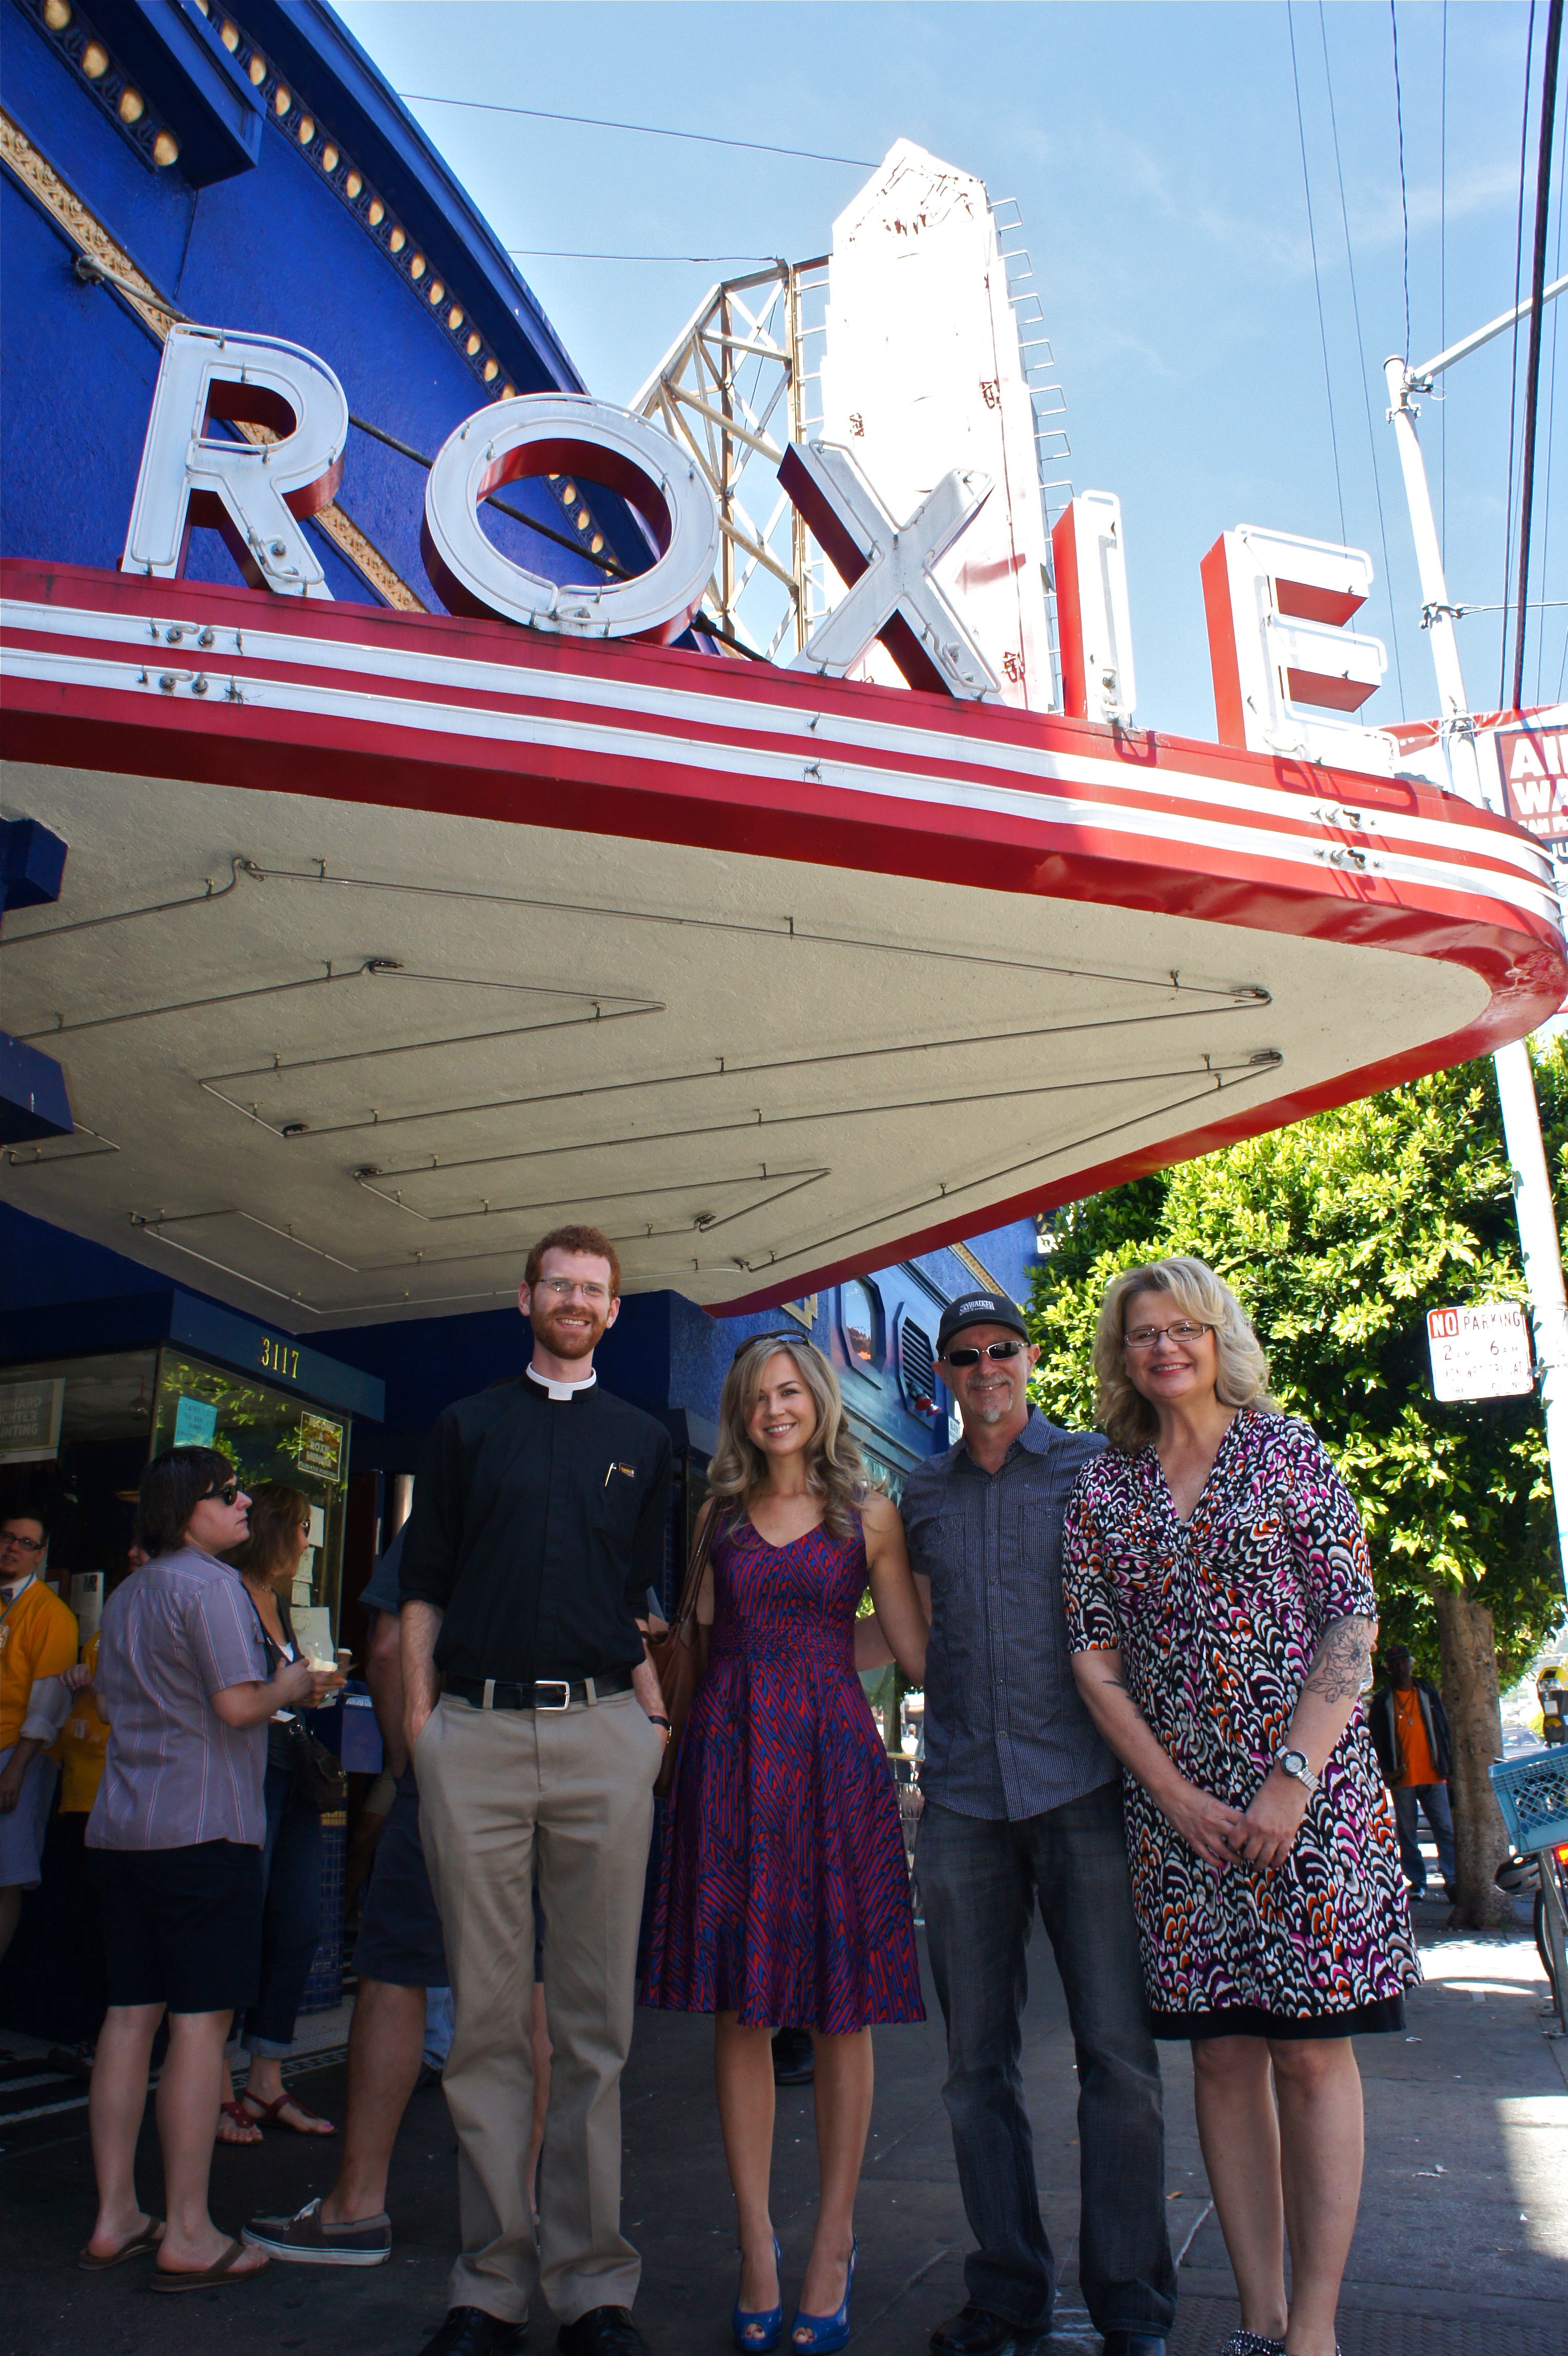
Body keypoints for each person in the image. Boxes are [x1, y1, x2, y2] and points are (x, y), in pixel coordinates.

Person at [1062, 1258, 1419, 2356]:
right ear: (1120, 1356)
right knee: (1219, 2056)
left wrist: (1288, 1782)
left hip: (1313, 1808)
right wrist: (1174, 1797)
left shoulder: (1289, 1451)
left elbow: (1348, 1624)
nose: (1164, 1346)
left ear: (1220, 1337)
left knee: (1309, 2055)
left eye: (1183, 1327)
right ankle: (1258, 2320)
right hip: (1181, 1828)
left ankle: (1313, 2330)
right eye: (1141, 1334)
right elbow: (1092, 1654)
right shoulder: (1104, 1487)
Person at [399, 1223, 673, 2356]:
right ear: (525, 1298)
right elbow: (421, 1586)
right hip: (476, 1735)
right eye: (557, 1284)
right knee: (487, 2030)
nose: (574, 1300)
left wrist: (653, 1724)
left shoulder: (644, 1439)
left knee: (596, 2026)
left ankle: (594, 2287)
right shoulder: (465, 1427)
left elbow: (638, 1598)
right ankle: (490, 2285)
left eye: (593, 1290)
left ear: (612, 1311)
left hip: (606, 1731)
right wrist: (419, 1727)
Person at [899, 1290, 1175, 2356]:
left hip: (1085, 1793)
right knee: (975, 2069)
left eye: (998, 1349)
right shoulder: (919, 1492)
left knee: (1119, 2059)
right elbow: (908, 1633)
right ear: (948, 1373)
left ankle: (1133, 2309)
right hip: (963, 1800)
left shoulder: (1094, 1468)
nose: (982, 1368)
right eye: (963, 1355)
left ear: (1029, 1355)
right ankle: (1008, 2292)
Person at [642, 1332, 928, 2354]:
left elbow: (906, 1648)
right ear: (741, 1409)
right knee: (739, 2011)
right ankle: (757, 2240)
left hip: (831, 1765)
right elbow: (704, 1639)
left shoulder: (868, 1512)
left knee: (841, 2011)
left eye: (793, 1389)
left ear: (822, 1400)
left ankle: (833, 2239)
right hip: (728, 1762)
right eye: (760, 1394)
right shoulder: (717, 1511)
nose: (777, 1407)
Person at [80, 1447, 332, 2290]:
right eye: (226, 1495)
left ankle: (116, 2213)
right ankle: (188, 2226)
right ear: (186, 1508)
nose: (242, 1506)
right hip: (203, 1831)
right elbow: (236, 1704)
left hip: (121, 1828)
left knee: (127, 2020)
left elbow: (116, 1696)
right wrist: (291, 1682)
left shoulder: (131, 1592)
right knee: (198, 2026)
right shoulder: (212, 1587)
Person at [245, 1523, 461, 2265]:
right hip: (551, 1775)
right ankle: (521, 2216)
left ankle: (356, 2208)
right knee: (534, 1983)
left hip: (447, 1772)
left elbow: (391, 1648)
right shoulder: (604, 1474)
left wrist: (411, 1767)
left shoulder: (453, 1493)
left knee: (396, 1974)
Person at [221, 1483, 337, 2139]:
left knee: (297, 1920)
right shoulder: (226, 1594)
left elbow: (281, 1694)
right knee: (241, 1917)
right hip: (247, 1768)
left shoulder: (279, 1602)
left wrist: (312, 1687)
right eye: (299, 1527)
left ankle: (265, 2078)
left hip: (291, 1771)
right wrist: (286, 1688)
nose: (306, 1541)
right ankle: (213, 2084)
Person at [0, 1505, 79, 1967]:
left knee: (5, 1880)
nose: (13, 1547)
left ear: (41, 1556)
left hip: (17, 1754)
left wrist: (15, 1769)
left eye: (26, 1543)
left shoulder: (52, 1614)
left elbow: (49, 1702)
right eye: (8, 1537)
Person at [1367, 1646, 1456, 1903]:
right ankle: (1417, 1883)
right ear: (1388, 1668)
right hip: (1402, 1777)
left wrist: (1448, 1766)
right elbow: (1376, 1738)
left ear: (1410, 1663)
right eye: (1393, 1664)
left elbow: (1444, 1729)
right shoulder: (1384, 1700)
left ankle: (1451, 1879)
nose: (1399, 1668)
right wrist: (1384, 1769)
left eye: (1402, 1662)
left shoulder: (1427, 1693)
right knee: (1407, 1834)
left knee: (1445, 1829)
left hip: (1434, 1773)